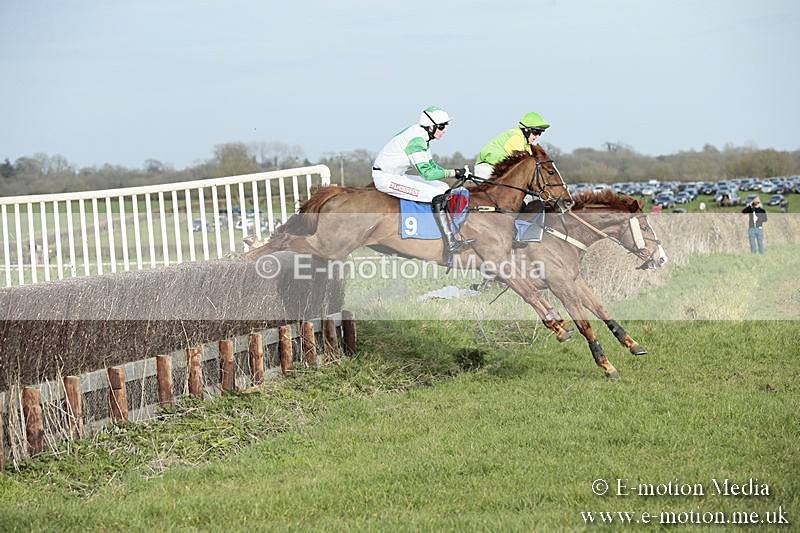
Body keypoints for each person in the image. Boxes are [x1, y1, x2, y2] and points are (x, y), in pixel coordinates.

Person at [372, 106, 472, 254]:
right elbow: (428, 174)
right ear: (431, 126)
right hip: (386, 178)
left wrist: (457, 173)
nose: (445, 130)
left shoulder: (423, 136)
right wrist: (456, 172)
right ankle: (450, 242)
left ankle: (449, 232)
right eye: (442, 126)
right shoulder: (417, 139)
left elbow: (431, 166)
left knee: (443, 188)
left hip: (397, 175)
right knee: (436, 196)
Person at [473, 111, 550, 180]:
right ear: (526, 129)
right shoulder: (516, 138)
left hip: (499, 169)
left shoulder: (526, 143)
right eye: (536, 132)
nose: (537, 136)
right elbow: (522, 165)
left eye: (540, 133)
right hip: (487, 168)